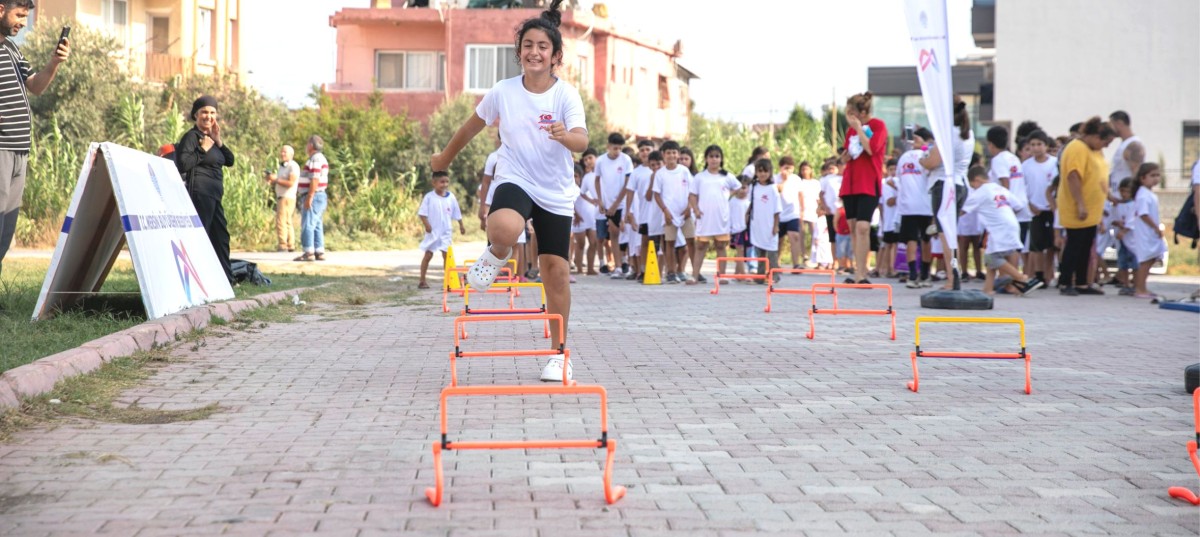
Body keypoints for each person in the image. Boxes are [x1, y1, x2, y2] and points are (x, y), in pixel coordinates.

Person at [431, 0, 586, 382]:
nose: (535, 52)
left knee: (557, 273)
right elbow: (470, 127)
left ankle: (559, 354)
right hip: (515, 177)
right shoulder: (503, 90)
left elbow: (582, 140)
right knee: (503, 228)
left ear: (555, 56)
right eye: (528, 45)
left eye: (543, 46)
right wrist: (443, 158)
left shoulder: (564, 95)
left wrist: (566, 136)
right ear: (519, 53)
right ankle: (496, 254)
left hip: (555, 190)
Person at [0, 0, 69, 276]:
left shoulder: (12, 49)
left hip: (20, 151)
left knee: (6, 229)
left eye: (27, 17)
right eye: (19, 15)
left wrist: (55, 62)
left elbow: (36, 87)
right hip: (1, 148)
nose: (23, 23)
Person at [176, 95, 235, 283]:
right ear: (196, 115)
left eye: (212, 113)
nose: (208, 116)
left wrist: (218, 141)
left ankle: (225, 280)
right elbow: (183, 164)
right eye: (204, 112)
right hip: (200, 194)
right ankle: (197, 281)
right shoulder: (191, 137)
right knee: (202, 237)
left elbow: (230, 161)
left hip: (215, 195)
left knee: (221, 237)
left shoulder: (211, 138)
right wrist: (202, 150)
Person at [961, 166, 1044, 296]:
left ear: (977, 180)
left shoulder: (980, 192)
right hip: (1011, 223)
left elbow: (962, 211)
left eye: (973, 185)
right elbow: (1019, 205)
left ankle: (1023, 279)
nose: (973, 188)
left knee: (991, 257)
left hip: (999, 228)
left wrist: (945, 217)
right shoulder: (1000, 188)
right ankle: (988, 289)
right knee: (991, 256)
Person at [920, 97, 975, 289]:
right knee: (951, 233)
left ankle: (952, 280)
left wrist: (922, 155)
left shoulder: (946, 134)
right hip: (961, 183)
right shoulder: (967, 133)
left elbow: (932, 162)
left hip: (944, 184)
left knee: (945, 235)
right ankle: (955, 276)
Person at [1055, 116, 1115, 296]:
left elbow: (1099, 177)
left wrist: (1110, 196)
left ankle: (1082, 282)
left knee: (1086, 246)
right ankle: (1065, 282)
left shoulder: (1094, 150)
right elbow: (1073, 176)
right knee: (1074, 245)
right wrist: (1080, 204)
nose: (1106, 146)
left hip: (1092, 210)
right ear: (1095, 136)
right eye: (1105, 142)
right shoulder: (1077, 148)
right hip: (1078, 208)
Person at [839, 92, 888, 284]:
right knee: (853, 227)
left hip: (868, 183)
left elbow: (871, 149)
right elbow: (845, 155)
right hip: (850, 184)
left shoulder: (878, 126)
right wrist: (844, 157)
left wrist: (859, 129)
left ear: (862, 112)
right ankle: (857, 269)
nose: (849, 117)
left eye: (852, 113)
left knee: (863, 227)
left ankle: (863, 273)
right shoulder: (851, 131)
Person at [689, 144, 741, 284]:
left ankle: (722, 276)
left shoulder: (727, 176)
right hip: (704, 217)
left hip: (721, 218)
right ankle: (694, 276)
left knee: (720, 246)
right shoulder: (700, 177)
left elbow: (739, 187)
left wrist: (727, 195)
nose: (714, 159)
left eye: (717, 156)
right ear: (706, 159)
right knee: (700, 246)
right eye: (711, 156)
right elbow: (692, 195)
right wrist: (696, 210)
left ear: (721, 159)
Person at [985, 126, 1031, 275]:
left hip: (1010, 209)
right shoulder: (1013, 157)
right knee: (1014, 246)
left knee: (1007, 247)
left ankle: (1010, 279)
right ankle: (1011, 278)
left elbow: (1005, 184)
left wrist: (1006, 207)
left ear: (991, 144)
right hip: (1022, 207)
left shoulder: (998, 160)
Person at [651, 140, 694, 284]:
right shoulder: (660, 174)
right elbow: (656, 194)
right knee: (669, 243)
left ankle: (695, 272)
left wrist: (689, 207)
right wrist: (665, 211)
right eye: (668, 152)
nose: (671, 155)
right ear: (663, 155)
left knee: (691, 242)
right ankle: (670, 272)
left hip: (685, 212)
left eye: (674, 152)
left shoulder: (684, 171)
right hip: (669, 214)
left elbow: (692, 191)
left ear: (678, 154)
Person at [897, 127, 934, 288]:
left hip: (909, 205)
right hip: (925, 205)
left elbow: (899, 178)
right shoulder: (927, 155)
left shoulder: (904, 157)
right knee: (926, 240)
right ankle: (924, 275)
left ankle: (914, 275)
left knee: (912, 240)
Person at [417, 171, 465, 290]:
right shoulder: (429, 197)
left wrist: (461, 225)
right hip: (432, 232)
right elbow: (422, 214)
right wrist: (427, 225)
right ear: (434, 183)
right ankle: (422, 280)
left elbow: (457, 213)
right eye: (441, 182)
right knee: (428, 255)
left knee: (446, 256)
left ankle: (448, 281)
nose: (444, 184)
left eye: (446, 181)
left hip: (446, 232)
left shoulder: (451, 197)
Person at [593, 132, 633, 277]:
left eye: (620, 148)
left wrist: (617, 203)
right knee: (614, 234)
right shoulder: (601, 161)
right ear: (608, 146)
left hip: (623, 203)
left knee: (627, 234)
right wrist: (600, 200)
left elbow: (628, 183)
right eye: (615, 148)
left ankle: (627, 263)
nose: (617, 152)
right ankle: (617, 267)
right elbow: (597, 180)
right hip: (608, 204)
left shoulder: (626, 160)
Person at [1021, 130, 1058, 285]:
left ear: (1046, 145)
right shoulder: (1026, 166)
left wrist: (1054, 202)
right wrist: (1030, 204)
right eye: (1032, 145)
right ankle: (1038, 275)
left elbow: (1057, 185)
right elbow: (1022, 188)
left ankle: (1050, 274)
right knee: (1036, 245)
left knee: (1051, 245)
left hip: (1051, 208)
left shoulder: (1054, 163)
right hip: (1034, 210)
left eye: (1039, 144)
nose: (1036, 148)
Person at [1127, 163, 1166, 299]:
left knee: (1151, 258)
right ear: (1142, 178)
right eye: (1152, 175)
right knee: (1145, 260)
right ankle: (1140, 288)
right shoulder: (1143, 195)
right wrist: (1155, 227)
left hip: (1150, 232)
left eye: (1157, 175)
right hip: (1146, 232)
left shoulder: (1148, 193)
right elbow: (1143, 214)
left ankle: (1143, 287)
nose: (1155, 178)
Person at [295, 135, 329, 262]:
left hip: (314, 195)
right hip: (318, 195)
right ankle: (319, 251)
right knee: (317, 224)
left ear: (311, 145)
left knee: (308, 223)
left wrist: (309, 196)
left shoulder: (315, 159)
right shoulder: (319, 158)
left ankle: (308, 251)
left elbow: (315, 179)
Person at [748, 159, 782, 284]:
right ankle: (760, 276)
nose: (762, 174)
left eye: (765, 171)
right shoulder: (754, 187)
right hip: (757, 224)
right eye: (760, 171)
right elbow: (751, 204)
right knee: (760, 251)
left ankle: (775, 276)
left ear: (770, 172)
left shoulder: (773, 189)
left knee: (772, 252)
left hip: (770, 225)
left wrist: (776, 225)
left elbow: (777, 209)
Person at [265, 145, 299, 252]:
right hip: (283, 196)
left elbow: (290, 182)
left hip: (286, 197)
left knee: (281, 221)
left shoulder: (293, 166)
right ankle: (290, 244)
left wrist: (276, 180)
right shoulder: (283, 166)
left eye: (285, 152)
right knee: (287, 221)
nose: (282, 154)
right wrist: (271, 178)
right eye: (282, 152)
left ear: (291, 154)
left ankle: (283, 244)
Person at [1108, 111, 1144, 202]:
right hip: (1117, 198)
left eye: (1111, 124)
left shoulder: (1133, 145)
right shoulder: (1123, 144)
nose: (1109, 129)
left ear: (1119, 123)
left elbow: (1136, 173)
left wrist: (1128, 199)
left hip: (1126, 202)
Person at [775, 156, 804, 269]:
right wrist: (784, 180)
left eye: (790, 168)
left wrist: (802, 210)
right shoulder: (775, 178)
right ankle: (776, 263)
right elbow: (778, 190)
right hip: (779, 213)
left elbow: (801, 195)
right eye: (786, 167)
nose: (788, 171)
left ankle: (796, 263)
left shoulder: (796, 179)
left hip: (793, 213)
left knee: (794, 236)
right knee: (779, 240)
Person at [1110, 178, 1137, 294]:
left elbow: (1133, 220)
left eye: (1127, 192)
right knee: (1123, 262)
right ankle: (1125, 284)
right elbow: (1112, 218)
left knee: (1135, 263)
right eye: (1122, 191)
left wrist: (1125, 230)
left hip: (1132, 239)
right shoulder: (1116, 205)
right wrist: (1117, 223)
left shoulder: (1135, 204)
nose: (1124, 194)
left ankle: (1136, 284)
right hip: (1121, 240)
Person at [571, 163, 599, 275]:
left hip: (591, 219)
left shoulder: (585, 188)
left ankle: (591, 268)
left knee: (594, 242)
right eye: (572, 176)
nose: (574, 178)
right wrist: (576, 215)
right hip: (579, 220)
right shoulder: (570, 189)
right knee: (580, 244)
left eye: (576, 176)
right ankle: (579, 268)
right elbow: (571, 203)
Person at [725, 175, 751, 281]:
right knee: (740, 251)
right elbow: (728, 216)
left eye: (744, 188)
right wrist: (729, 230)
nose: (741, 191)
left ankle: (737, 272)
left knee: (742, 252)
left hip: (746, 230)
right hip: (736, 230)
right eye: (739, 188)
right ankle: (743, 275)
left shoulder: (749, 202)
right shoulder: (732, 201)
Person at [878, 159, 900, 279]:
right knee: (887, 245)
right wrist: (882, 219)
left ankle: (894, 268)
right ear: (886, 170)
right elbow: (886, 202)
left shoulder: (900, 182)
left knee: (896, 244)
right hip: (888, 219)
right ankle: (886, 268)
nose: (893, 172)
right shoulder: (883, 183)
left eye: (895, 169)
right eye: (891, 169)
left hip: (898, 218)